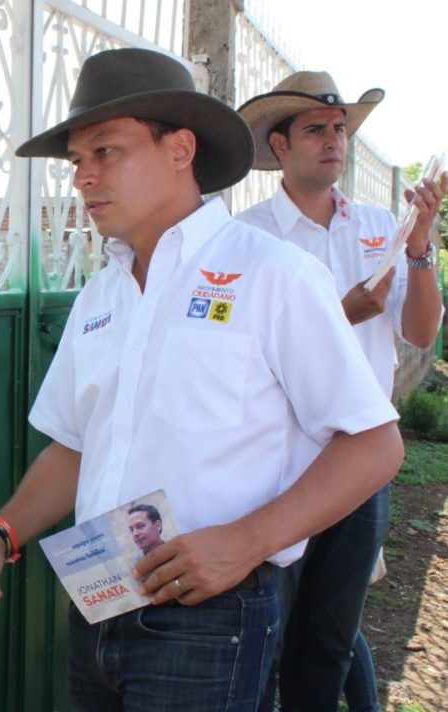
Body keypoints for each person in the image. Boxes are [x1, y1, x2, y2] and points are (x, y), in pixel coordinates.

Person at [0, 47, 404, 710]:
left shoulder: (269, 273)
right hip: (99, 606)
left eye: (106, 151)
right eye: (78, 160)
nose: (84, 177)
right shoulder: (100, 296)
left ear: (180, 149)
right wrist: (1, 533)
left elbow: (374, 445)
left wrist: (244, 543)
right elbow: (77, 445)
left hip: (211, 617)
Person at [236, 71, 446, 712]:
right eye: (315, 130)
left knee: (328, 636)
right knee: (267, 630)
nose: (334, 141)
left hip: (359, 463)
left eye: (340, 131)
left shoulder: (380, 225)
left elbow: (419, 329)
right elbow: (236, 354)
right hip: (274, 464)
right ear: (280, 147)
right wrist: (342, 312)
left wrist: (418, 250)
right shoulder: (247, 239)